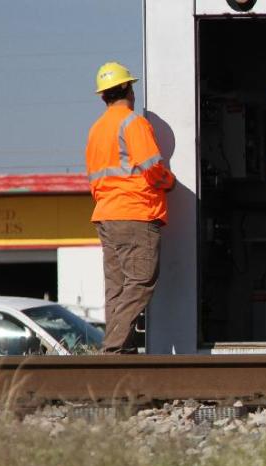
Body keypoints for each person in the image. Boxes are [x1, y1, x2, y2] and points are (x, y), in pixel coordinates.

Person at [85, 62, 175, 354]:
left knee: (118, 287)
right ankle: (112, 349)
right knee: (141, 279)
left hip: (106, 214)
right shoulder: (132, 122)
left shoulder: (97, 129)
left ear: (102, 96)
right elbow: (152, 169)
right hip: (135, 212)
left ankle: (119, 353)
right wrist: (170, 183)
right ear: (127, 88)